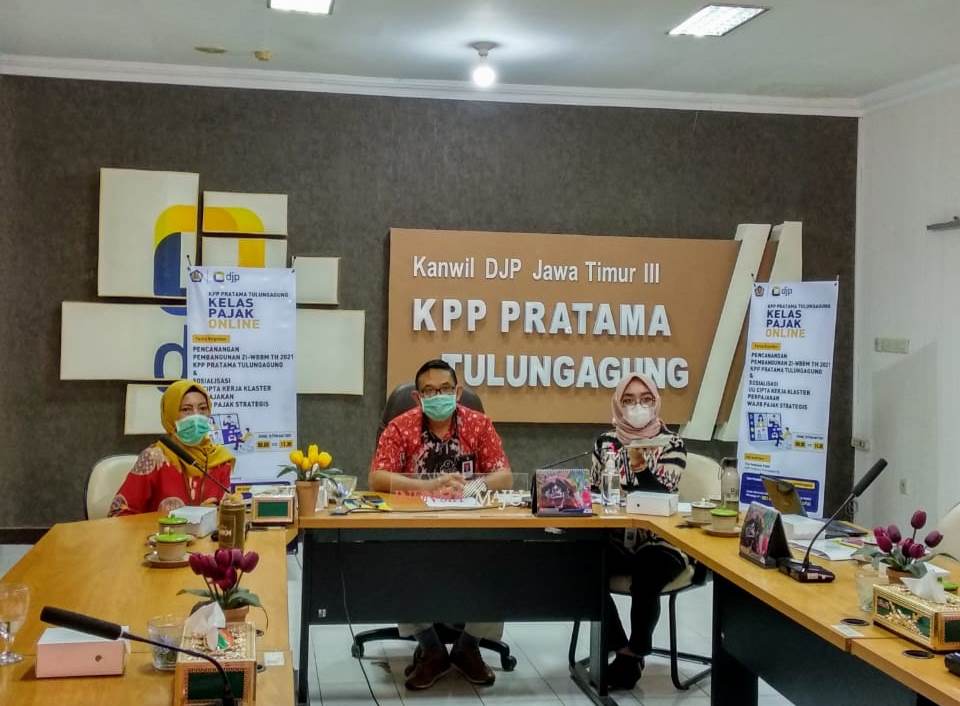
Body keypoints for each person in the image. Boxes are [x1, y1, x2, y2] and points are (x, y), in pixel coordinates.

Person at [369, 359, 512, 691]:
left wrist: (471, 487)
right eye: (429, 391)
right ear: (417, 397)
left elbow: (503, 475)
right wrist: (428, 486)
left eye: (445, 389)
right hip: (415, 527)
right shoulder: (400, 427)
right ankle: (431, 647)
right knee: (397, 561)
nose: (438, 396)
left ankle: (468, 647)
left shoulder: (479, 424)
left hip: (472, 526)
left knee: (503, 559)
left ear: (457, 392)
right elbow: (377, 477)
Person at [590, 373, 687, 690]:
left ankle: (635, 652)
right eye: (629, 400)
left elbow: (663, 494)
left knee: (648, 571)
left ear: (656, 402)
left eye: (645, 400)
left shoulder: (672, 444)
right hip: (616, 537)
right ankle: (621, 646)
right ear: (618, 404)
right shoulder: (605, 443)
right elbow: (594, 493)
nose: (637, 407)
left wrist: (641, 467)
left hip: (661, 542)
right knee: (583, 566)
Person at [109, 380, 235, 516]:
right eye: (186, 409)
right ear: (171, 414)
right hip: (157, 529)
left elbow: (222, 512)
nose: (196, 415)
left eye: (203, 408)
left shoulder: (220, 460)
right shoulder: (155, 458)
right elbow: (119, 513)